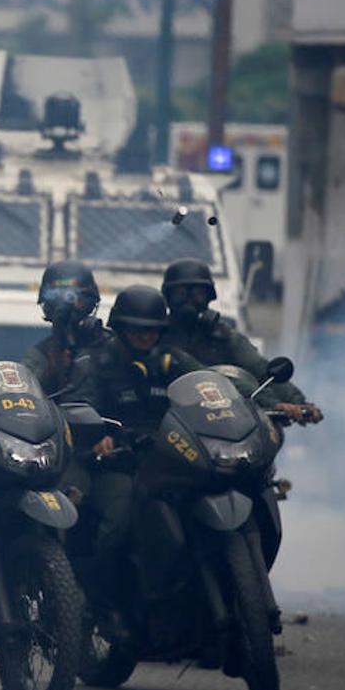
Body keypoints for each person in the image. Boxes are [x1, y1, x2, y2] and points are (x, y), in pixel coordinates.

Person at [67, 285, 208, 636]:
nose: (145, 336)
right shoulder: (95, 363)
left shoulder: (173, 361)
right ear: (120, 328)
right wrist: (97, 435)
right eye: (136, 328)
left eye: (152, 329)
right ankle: (100, 603)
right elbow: (77, 407)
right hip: (120, 463)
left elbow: (209, 386)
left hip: (173, 458)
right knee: (119, 520)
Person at [158, 258, 322, 423]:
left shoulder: (222, 336)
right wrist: (272, 403)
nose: (189, 302)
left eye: (198, 295)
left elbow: (260, 368)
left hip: (223, 422)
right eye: (180, 294)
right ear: (167, 298)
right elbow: (211, 379)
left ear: (209, 297)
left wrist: (297, 402)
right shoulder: (155, 337)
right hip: (168, 422)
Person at [21, 259, 110, 396]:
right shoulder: (39, 356)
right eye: (57, 298)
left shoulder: (113, 347)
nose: (68, 306)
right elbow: (24, 399)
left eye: (76, 298)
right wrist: (52, 372)